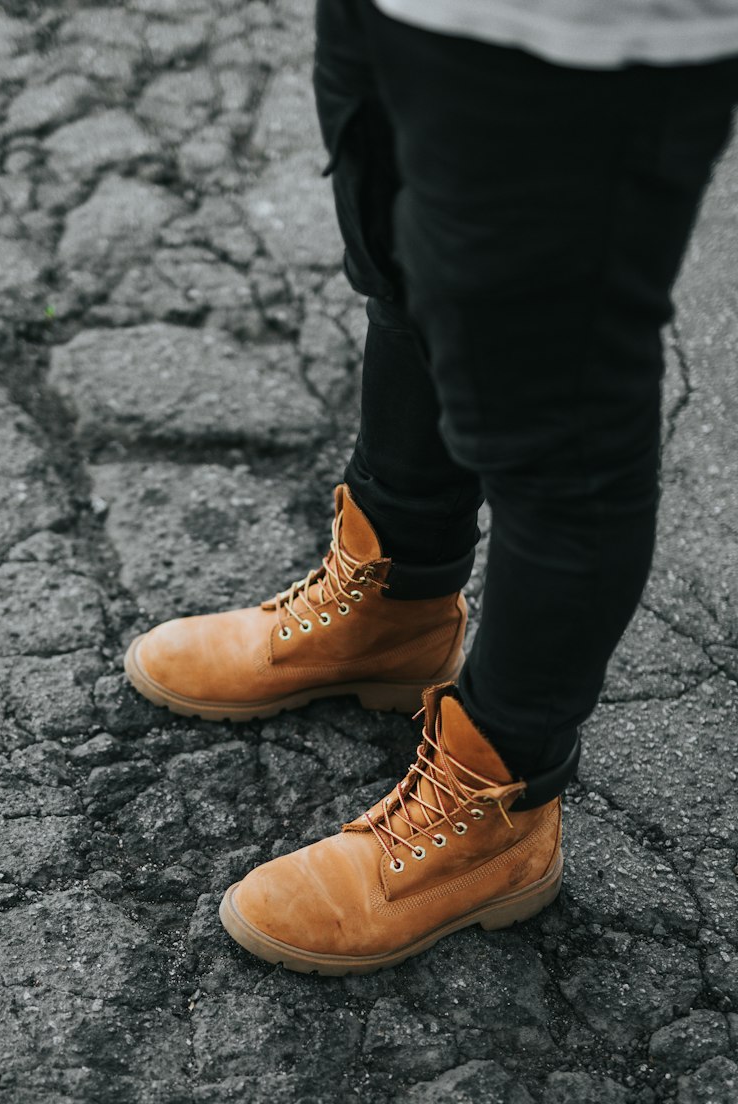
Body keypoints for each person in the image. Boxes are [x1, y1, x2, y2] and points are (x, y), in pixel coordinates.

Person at [124, 0, 738, 974]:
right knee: (404, 260)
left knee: (552, 398)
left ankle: (499, 807)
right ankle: (395, 607)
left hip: (586, 30)